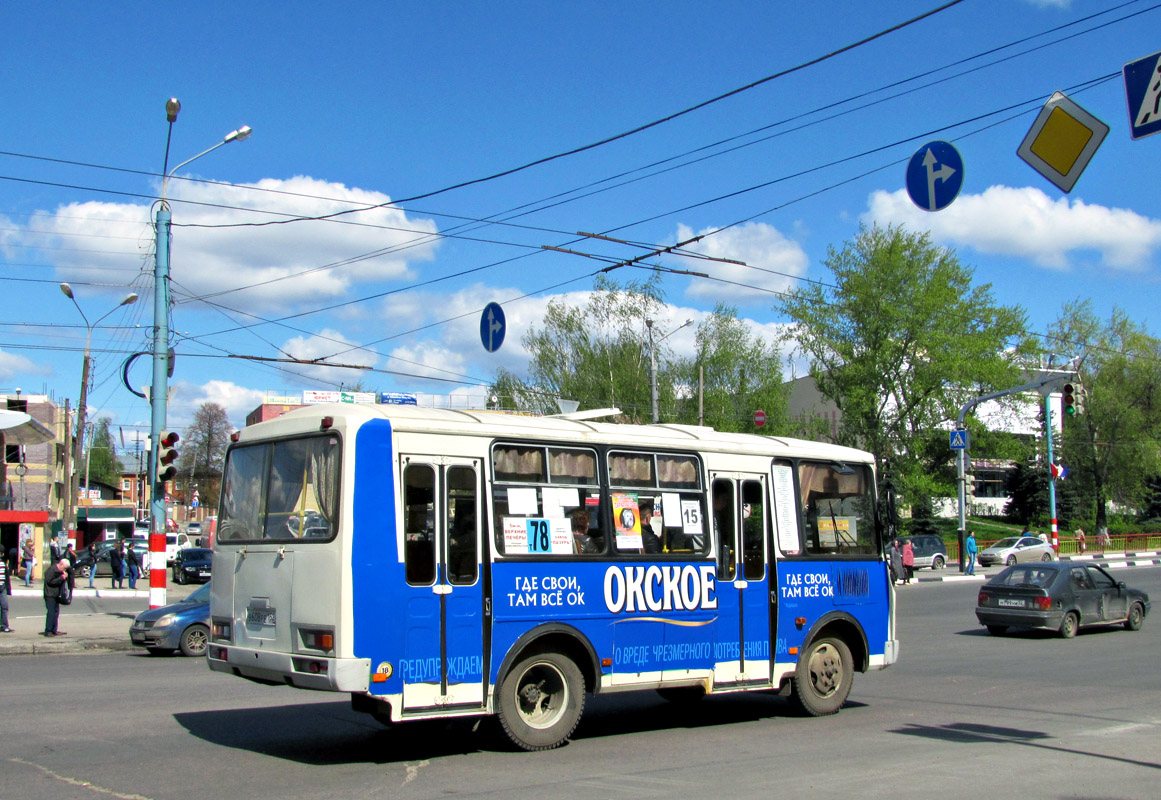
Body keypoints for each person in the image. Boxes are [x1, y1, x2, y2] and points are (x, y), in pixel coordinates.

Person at [42, 557, 70, 636]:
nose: (64, 570)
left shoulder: (60, 571)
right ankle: (48, 630)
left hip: (56, 595)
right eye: (64, 568)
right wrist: (61, 578)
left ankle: (54, 630)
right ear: (61, 564)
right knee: (51, 613)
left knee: (56, 612)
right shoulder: (52, 570)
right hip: (50, 594)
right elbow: (50, 582)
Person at [0, 545, 13, 632]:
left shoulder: (3, 563)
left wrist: (8, 589)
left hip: (2, 588)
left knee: (4, 606)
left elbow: (6, 576)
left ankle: (4, 625)